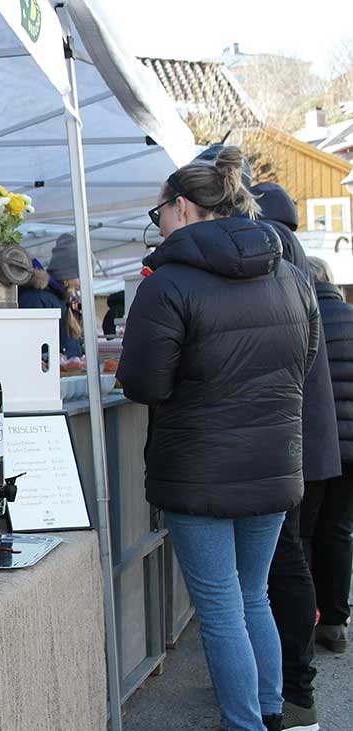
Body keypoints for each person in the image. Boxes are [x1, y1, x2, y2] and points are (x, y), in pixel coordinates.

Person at [117, 146, 319, 731]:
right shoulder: (290, 274)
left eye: (159, 213)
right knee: (251, 595)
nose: (159, 224)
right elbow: (303, 364)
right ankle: (271, 711)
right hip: (274, 460)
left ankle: (245, 723)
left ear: (181, 207)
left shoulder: (169, 282)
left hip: (198, 468)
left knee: (224, 605)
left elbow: (143, 383)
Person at [250, 182, 341, 731]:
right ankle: (294, 687)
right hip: (310, 441)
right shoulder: (299, 264)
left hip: (286, 441)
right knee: (293, 559)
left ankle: (288, 690)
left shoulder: (272, 260)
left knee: (278, 568)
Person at [306, 256, 353, 657]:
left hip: (314, 444)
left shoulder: (300, 318)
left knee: (302, 534)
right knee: (338, 530)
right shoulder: (351, 317)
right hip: (352, 449)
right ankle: (336, 623)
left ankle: (304, 621)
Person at [18, 250, 83, 357]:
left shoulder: (58, 297)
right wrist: (49, 358)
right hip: (53, 371)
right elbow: (34, 344)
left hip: (66, 368)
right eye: (78, 277)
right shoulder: (37, 298)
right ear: (67, 276)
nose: (80, 285)